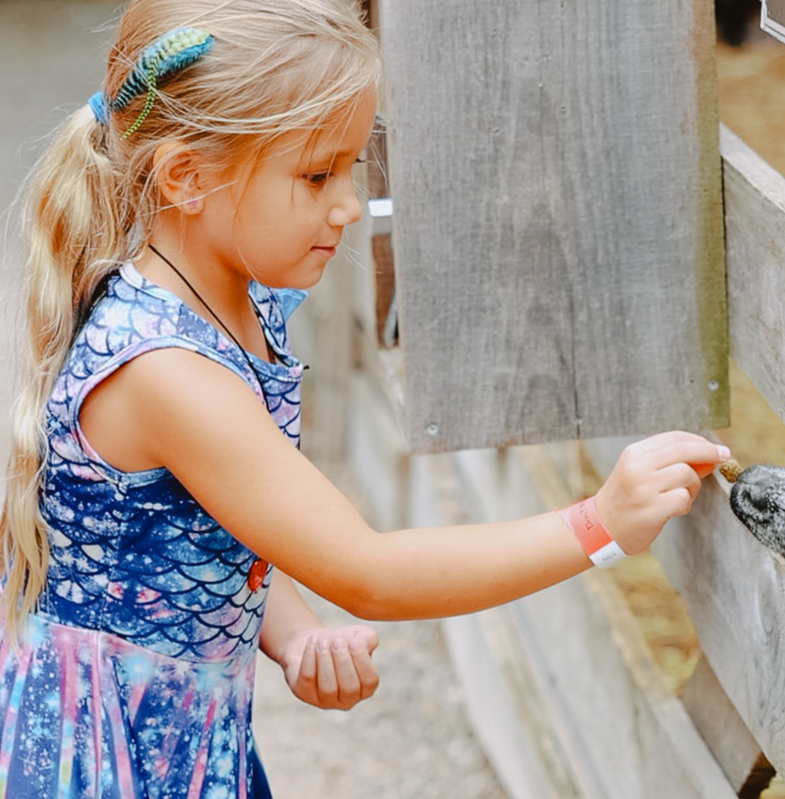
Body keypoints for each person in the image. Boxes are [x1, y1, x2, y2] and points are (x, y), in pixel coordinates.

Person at [0, 0, 730, 796]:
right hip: (105, 755)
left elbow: (198, 528)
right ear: (186, 178)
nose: (347, 205)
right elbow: (369, 571)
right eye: (316, 175)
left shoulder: (229, 302)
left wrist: (293, 629)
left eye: (352, 167)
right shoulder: (170, 374)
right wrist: (598, 524)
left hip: (175, 728)